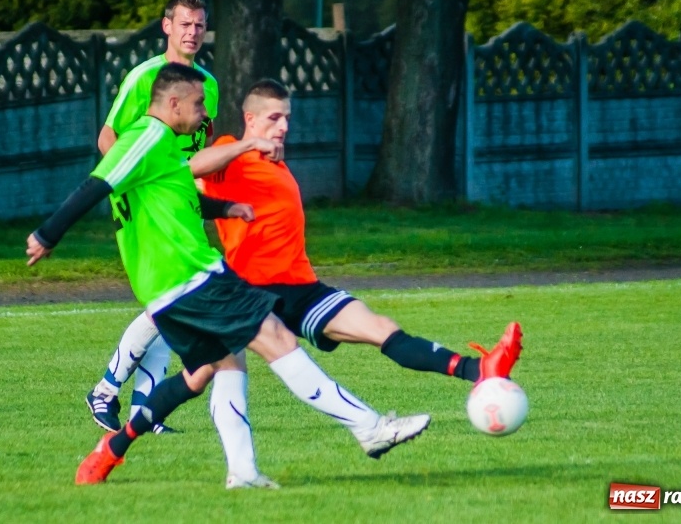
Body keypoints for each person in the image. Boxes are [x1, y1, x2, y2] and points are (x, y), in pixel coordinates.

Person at [85, 77, 523, 483]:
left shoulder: (276, 163)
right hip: (249, 290)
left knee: (381, 328)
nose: (283, 126)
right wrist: (243, 148)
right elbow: (190, 168)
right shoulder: (229, 152)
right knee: (203, 376)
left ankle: (478, 370)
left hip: (300, 287)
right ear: (251, 119)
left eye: (287, 118)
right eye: (274, 117)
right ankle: (118, 445)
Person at [27, 63, 431, 488]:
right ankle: (368, 427)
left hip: (161, 290)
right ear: (174, 103)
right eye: (199, 104)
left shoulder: (163, 149)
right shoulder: (148, 136)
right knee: (276, 336)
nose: (205, 113)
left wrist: (225, 209)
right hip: (190, 275)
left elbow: (175, 198)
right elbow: (96, 185)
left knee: (218, 367)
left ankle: (234, 470)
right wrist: (47, 233)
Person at [85, 0, 282, 435]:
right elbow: (107, 139)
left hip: (182, 202)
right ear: (166, 27)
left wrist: (209, 194)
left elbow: (194, 153)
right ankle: (105, 389)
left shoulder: (207, 85)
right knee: (173, 299)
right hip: (150, 203)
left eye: (199, 25)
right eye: (185, 24)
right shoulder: (145, 77)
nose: (192, 32)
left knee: (173, 305)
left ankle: (142, 411)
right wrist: (140, 190)